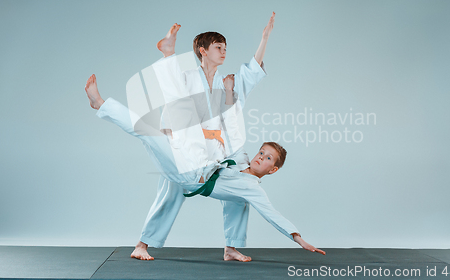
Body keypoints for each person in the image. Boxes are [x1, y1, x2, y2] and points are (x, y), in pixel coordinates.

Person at [84, 67, 326, 256]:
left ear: (272, 170)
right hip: (190, 165)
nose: (260, 156)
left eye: (267, 158)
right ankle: (101, 104)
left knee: (240, 201)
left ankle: (231, 248)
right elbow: (230, 126)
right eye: (261, 151)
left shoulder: (254, 190)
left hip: (188, 175)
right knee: (151, 135)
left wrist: (298, 239)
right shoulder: (240, 159)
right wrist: (229, 93)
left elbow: (273, 215)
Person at [122, 14, 274, 261]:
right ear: (203, 51)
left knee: (240, 192)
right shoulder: (188, 79)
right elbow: (172, 97)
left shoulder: (229, 83)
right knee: (169, 194)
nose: (224, 52)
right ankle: (142, 244)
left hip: (217, 156)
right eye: (218, 47)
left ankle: (231, 247)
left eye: (225, 48)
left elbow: (252, 71)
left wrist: (264, 38)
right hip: (185, 151)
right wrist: (168, 56)